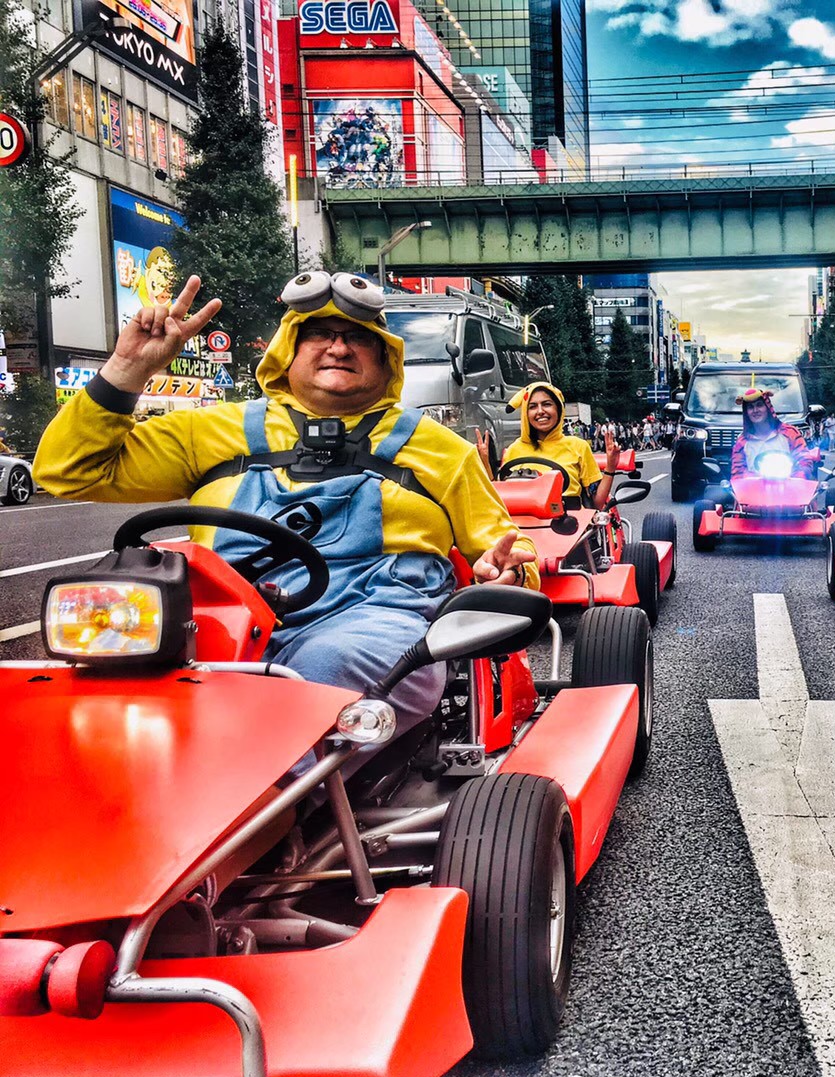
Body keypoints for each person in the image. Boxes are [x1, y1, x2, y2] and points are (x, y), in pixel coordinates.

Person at [34, 271, 538, 738]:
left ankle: (256, 818)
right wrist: (127, 368)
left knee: (322, 671)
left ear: (387, 358)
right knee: (98, 677)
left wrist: (505, 571)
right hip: (215, 622)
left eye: (359, 337)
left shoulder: (443, 450)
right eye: (319, 333)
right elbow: (68, 472)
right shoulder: (207, 430)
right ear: (286, 352)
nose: (339, 347)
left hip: (375, 619)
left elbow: (504, 557)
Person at [488, 382, 621, 508]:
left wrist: (610, 466)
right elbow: (500, 501)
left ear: (559, 409)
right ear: (525, 414)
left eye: (546, 404)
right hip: (521, 528)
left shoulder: (578, 446)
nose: (540, 411)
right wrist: (485, 465)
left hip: (572, 527)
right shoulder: (514, 449)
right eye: (532, 406)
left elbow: (596, 503)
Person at [731, 387, 815, 478]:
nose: (755, 410)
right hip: (754, 490)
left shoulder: (790, 433)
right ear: (746, 412)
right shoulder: (742, 441)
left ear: (767, 407)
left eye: (759, 405)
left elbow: (804, 461)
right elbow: (737, 473)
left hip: (790, 489)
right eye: (751, 407)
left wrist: (798, 477)